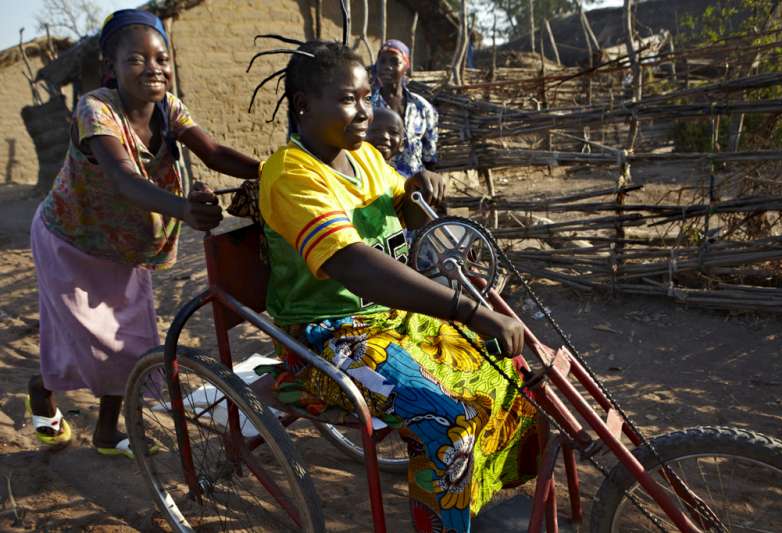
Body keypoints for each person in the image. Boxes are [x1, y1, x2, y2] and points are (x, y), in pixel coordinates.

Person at [258, 39, 538, 532]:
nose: (366, 111)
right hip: (329, 338)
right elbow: (351, 262)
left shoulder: (362, 157)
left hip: (388, 322)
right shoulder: (289, 175)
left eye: (368, 97)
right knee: (447, 421)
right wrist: (468, 311)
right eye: (350, 99)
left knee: (508, 371)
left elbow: (403, 209)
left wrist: (415, 189)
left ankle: (474, 506)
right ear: (304, 104)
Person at [26, 9, 259, 458]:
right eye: (137, 60)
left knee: (131, 343)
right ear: (110, 69)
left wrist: (277, 171)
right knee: (87, 345)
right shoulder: (95, 111)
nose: (153, 68)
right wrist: (184, 210)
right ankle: (42, 390)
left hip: (126, 248)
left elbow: (213, 153)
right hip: (70, 243)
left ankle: (107, 432)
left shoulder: (170, 110)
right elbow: (123, 178)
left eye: (161, 58)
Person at [371, 39, 438, 180]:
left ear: (406, 65)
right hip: (378, 185)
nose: (387, 67)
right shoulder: (367, 106)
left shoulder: (423, 108)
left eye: (394, 62)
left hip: (414, 188)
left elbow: (429, 157)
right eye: (382, 61)